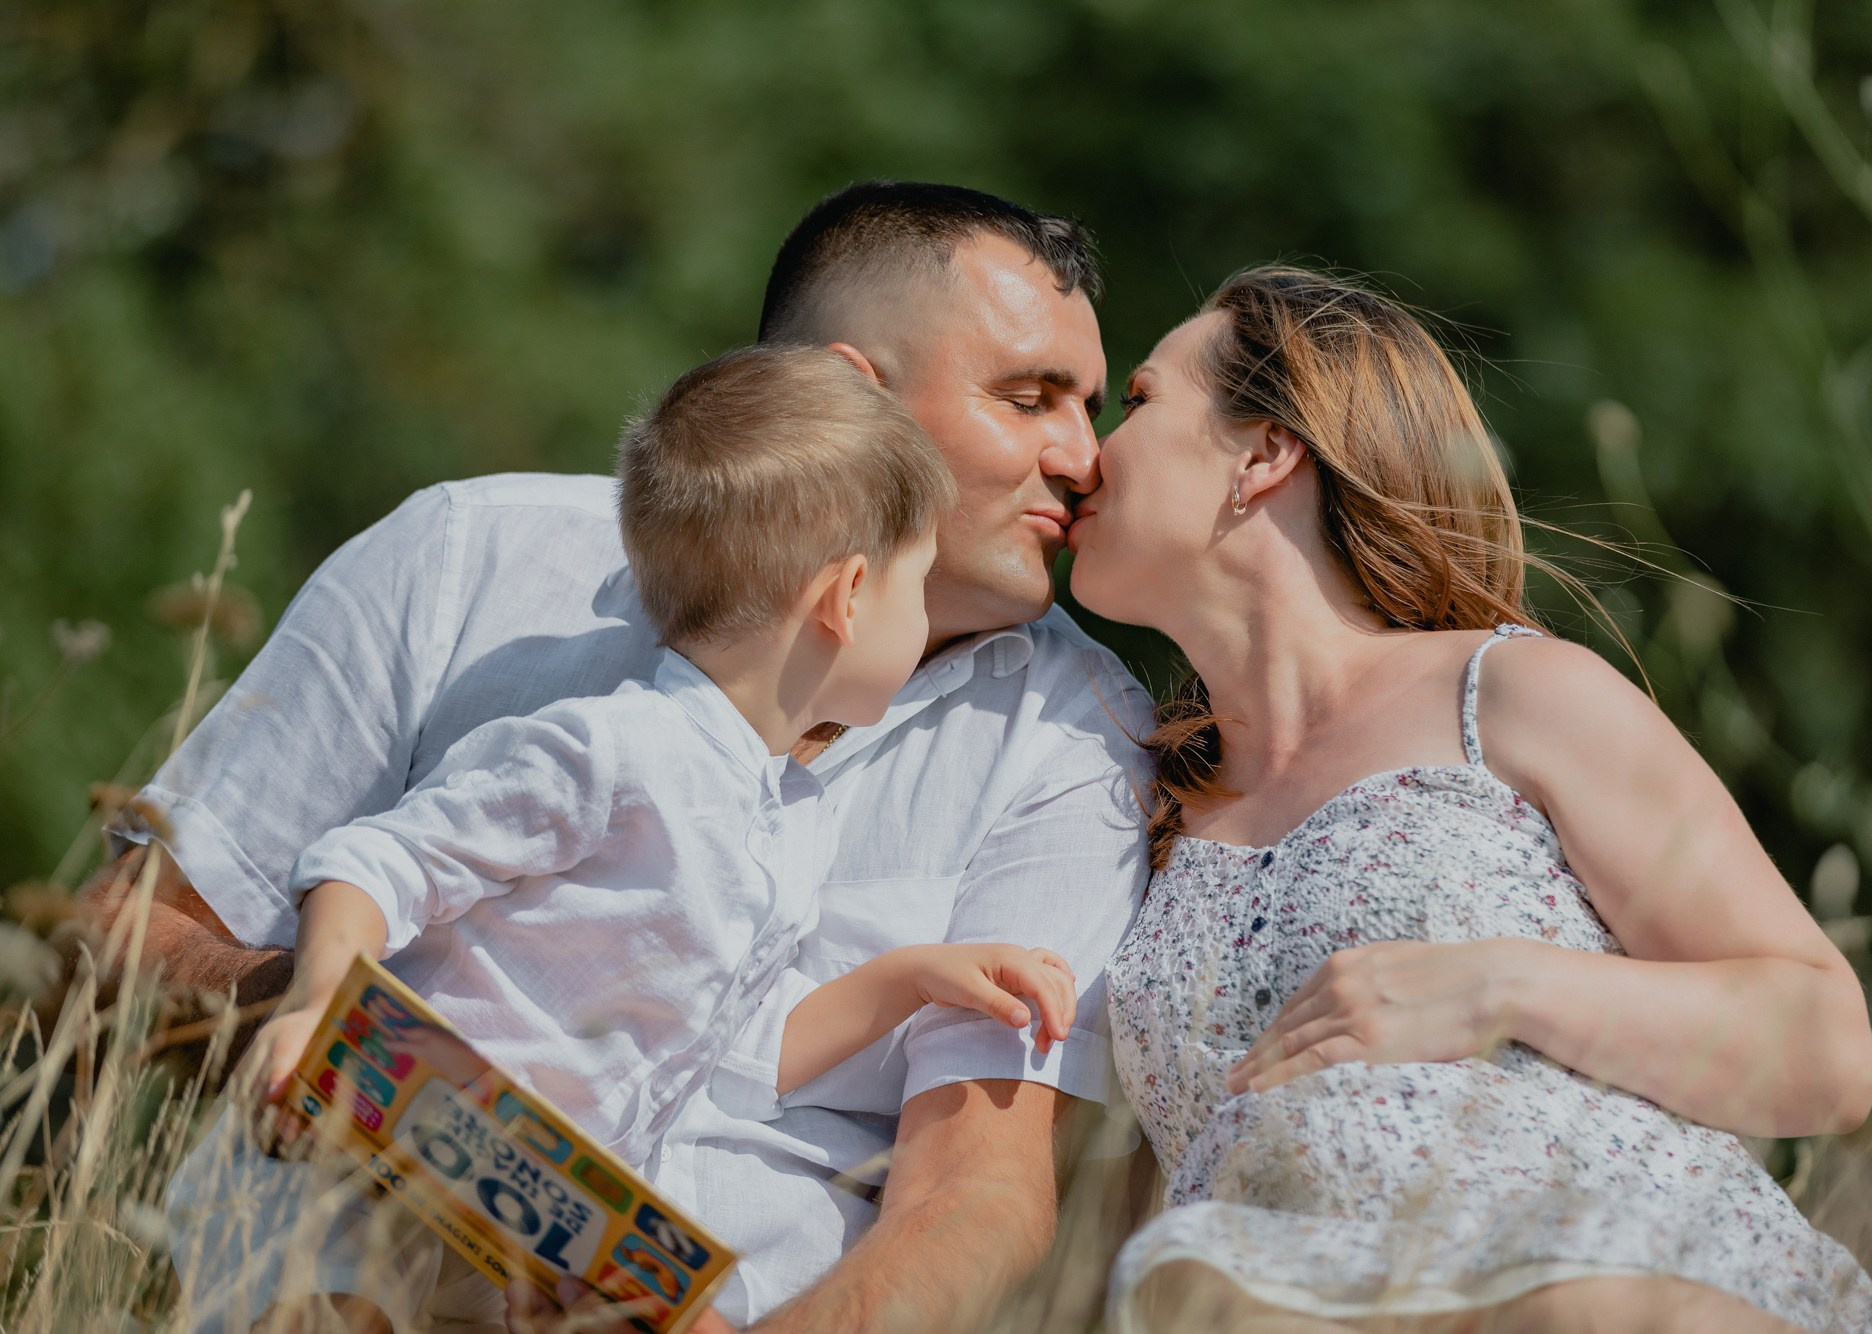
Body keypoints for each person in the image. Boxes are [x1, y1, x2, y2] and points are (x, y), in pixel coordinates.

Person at [95, 182, 1152, 1332]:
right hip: (341, 1265)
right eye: (1030, 398)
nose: (1082, 458)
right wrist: (389, 1069)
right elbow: (124, 922)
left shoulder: (1079, 735)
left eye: (1087, 406)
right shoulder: (467, 557)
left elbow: (974, 1194)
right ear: (860, 395)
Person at [1066, 266, 1872, 1332]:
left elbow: (1825, 1047)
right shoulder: (1140, 808)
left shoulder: (1512, 693)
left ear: (1263, 451)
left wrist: (1501, 984)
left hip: (1624, 1293)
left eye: (1135, 401)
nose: (1088, 449)